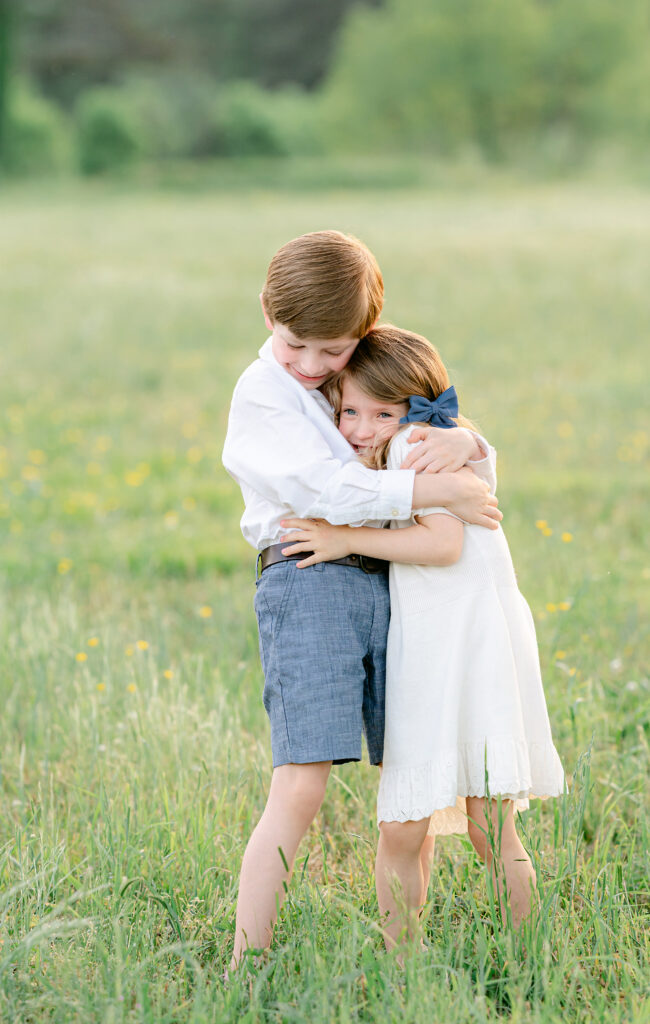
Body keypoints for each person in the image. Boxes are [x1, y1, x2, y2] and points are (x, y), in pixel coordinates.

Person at [222, 232, 503, 969]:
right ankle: (248, 960)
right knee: (303, 782)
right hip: (310, 571)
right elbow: (325, 492)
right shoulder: (263, 394)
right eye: (295, 346)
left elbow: (432, 427)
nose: (312, 365)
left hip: (395, 577)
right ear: (266, 312)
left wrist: (470, 455)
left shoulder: (361, 380)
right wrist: (437, 489)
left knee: (412, 778)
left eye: (333, 350)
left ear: (365, 332)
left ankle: (403, 955)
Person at [279, 324, 565, 948]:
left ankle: (412, 961)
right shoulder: (423, 443)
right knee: (488, 824)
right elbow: (478, 460)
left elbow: (442, 543)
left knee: (416, 829)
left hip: (459, 645)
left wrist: (343, 538)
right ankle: (520, 953)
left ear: (415, 410)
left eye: (381, 413)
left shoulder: (415, 445)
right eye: (348, 409)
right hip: (469, 638)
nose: (359, 427)